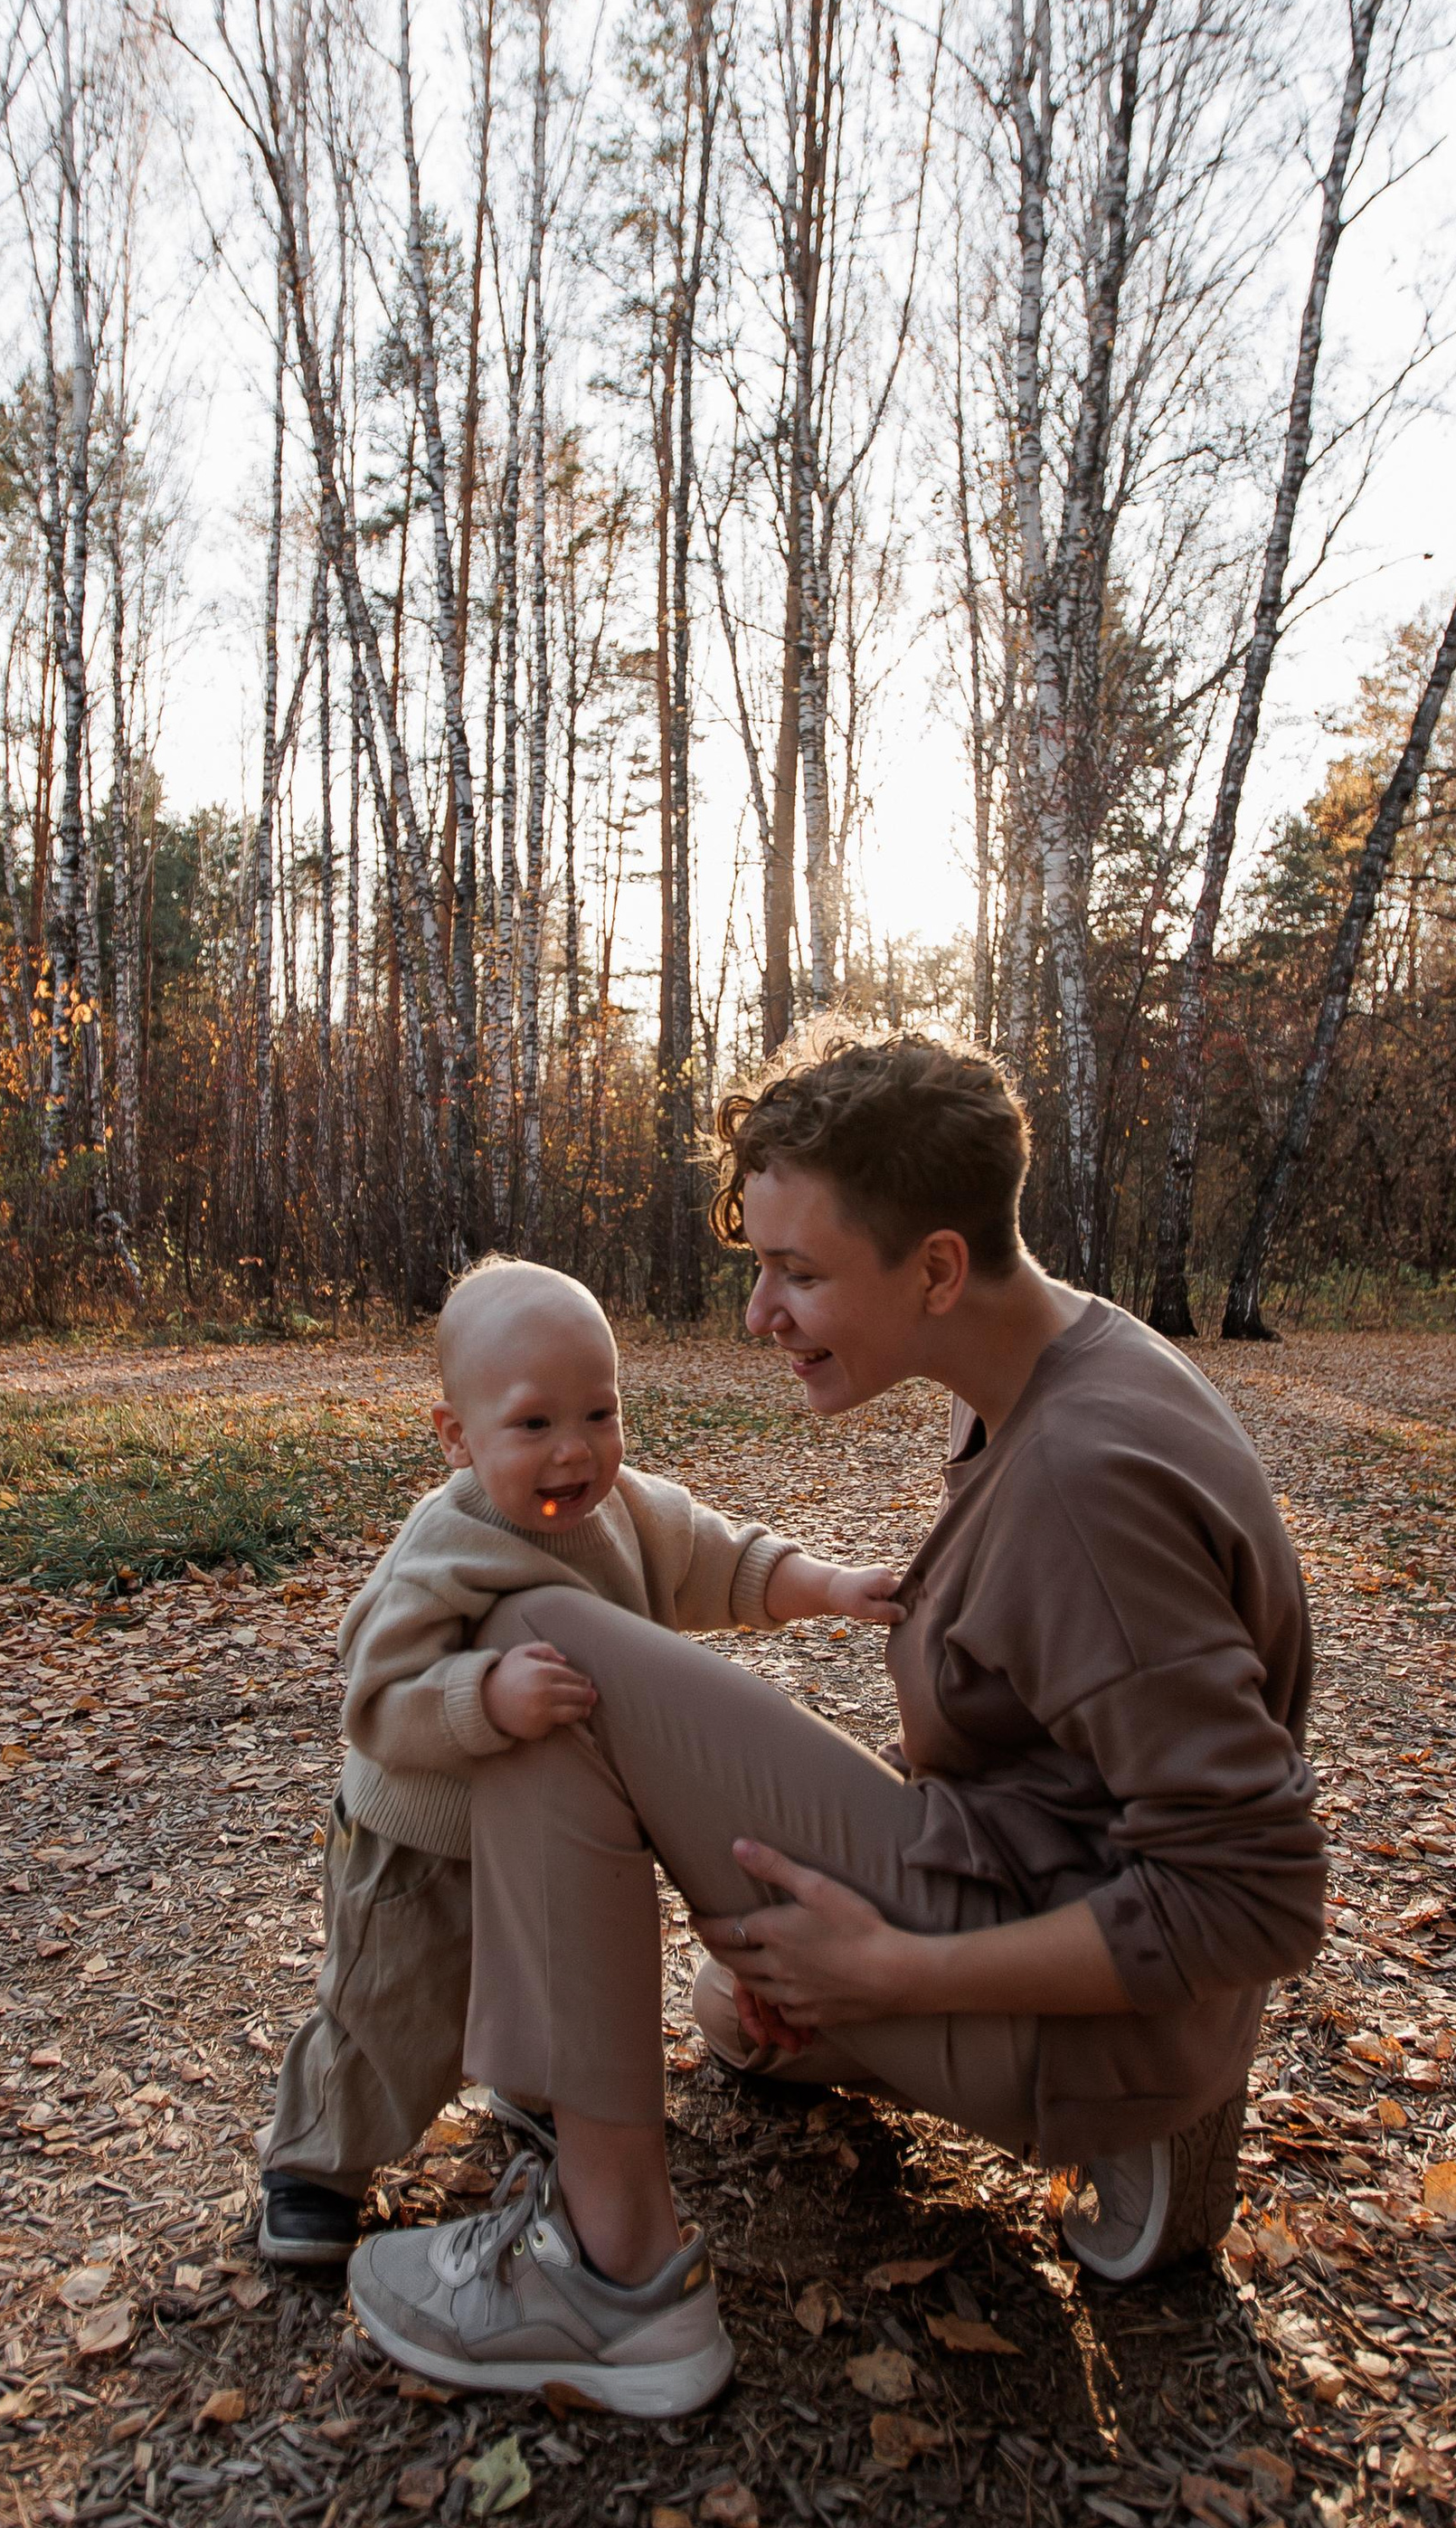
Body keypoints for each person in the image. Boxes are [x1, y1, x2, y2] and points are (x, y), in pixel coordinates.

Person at [346, 1031, 1326, 2417]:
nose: (762, 1315)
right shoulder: (1079, 1354)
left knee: (533, 1643)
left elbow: (1258, 1894)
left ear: (935, 1266)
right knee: (729, 2023)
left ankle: (614, 2281)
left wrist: (891, 1975)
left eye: (797, 1273)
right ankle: (1147, 2105)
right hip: (1042, 1889)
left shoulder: (1081, 1488)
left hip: (1058, 1970)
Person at [256, 1255, 901, 2269]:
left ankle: (538, 2085)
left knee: (559, 1968)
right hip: (418, 1845)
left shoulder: (625, 1511)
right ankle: (311, 2165)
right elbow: (375, 1703)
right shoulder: (446, 1543)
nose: (575, 1452)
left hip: (539, 1835)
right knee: (393, 2013)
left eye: (599, 1414)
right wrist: (484, 1697)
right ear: (456, 1437)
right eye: (532, 1424)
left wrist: (825, 1585)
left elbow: (718, 1561)